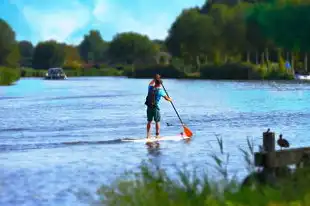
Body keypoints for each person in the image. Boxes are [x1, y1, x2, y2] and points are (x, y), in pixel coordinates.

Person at [145, 74, 172, 139]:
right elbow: (167, 99)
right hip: (155, 108)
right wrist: (170, 99)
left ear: (155, 82)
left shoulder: (150, 88)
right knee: (157, 121)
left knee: (149, 121)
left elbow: (150, 83)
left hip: (149, 107)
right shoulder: (160, 91)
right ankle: (157, 135)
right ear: (160, 84)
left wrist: (155, 78)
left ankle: (148, 135)